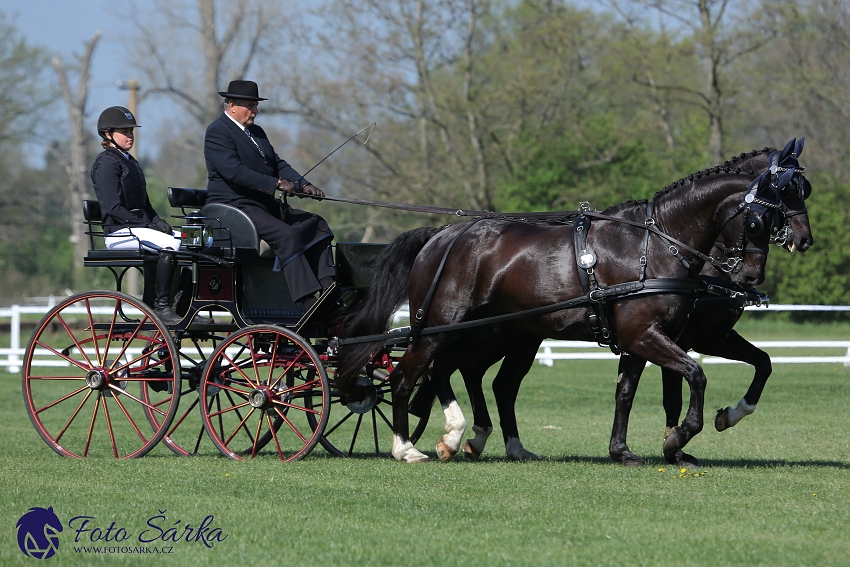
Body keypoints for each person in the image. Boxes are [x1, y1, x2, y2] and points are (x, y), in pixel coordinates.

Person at [203, 80, 335, 309]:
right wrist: (275, 183)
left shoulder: (257, 132)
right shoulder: (217, 131)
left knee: (317, 224)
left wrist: (303, 184)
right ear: (232, 105)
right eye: (250, 105)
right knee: (287, 235)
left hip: (261, 204)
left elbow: (277, 163)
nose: (255, 111)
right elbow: (233, 171)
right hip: (234, 205)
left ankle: (328, 289)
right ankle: (307, 300)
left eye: (256, 105)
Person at [90, 106, 210, 325]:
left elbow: (145, 204)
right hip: (118, 233)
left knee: (192, 243)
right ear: (108, 134)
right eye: (124, 131)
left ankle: (183, 305)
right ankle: (161, 307)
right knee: (170, 245)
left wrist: (157, 221)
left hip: (137, 228)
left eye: (131, 131)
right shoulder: (106, 163)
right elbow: (113, 208)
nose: (130, 135)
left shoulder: (130, 162)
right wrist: (148, 224)